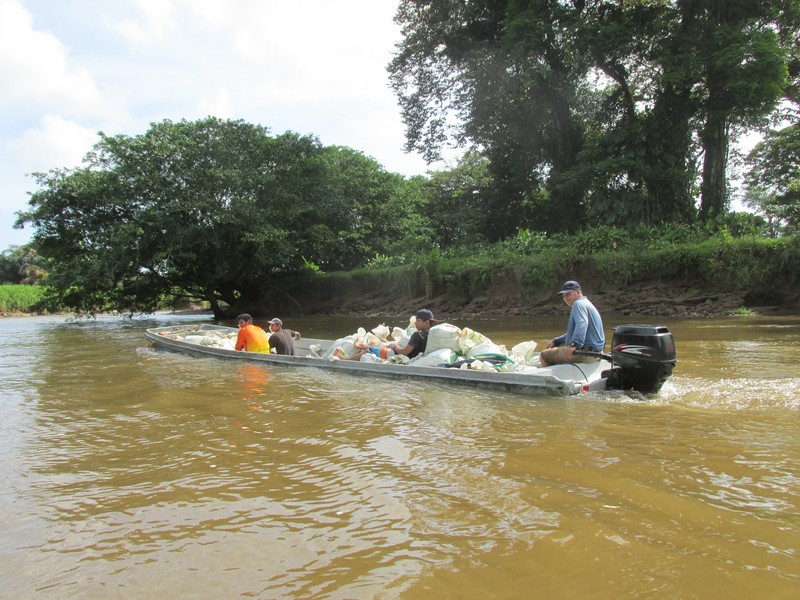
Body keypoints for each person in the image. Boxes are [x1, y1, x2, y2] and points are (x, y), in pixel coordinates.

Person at [538, 281, 605, 367]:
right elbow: (575, 332)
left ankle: (555, 377)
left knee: (544, 355)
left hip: (585, 354)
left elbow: (582, 324)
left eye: (568, 294)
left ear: (578, 292)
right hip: (597, 353)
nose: (566, 298)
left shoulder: (578, 304)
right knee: (561, 346)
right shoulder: (587, 304)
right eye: (564, 296)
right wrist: (556, 341)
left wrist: (574, 344)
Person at [336, 309, 439, 361]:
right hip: (412, 354)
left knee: (369, 350)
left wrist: (395, 346)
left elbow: (404, 352)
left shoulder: (417, 335)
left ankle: (347, 359)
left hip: (398, 355)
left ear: (426, 322)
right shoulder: (432, 334)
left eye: (418, 320)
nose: (416, 323)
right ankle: (360, 345)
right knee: (390, 343)